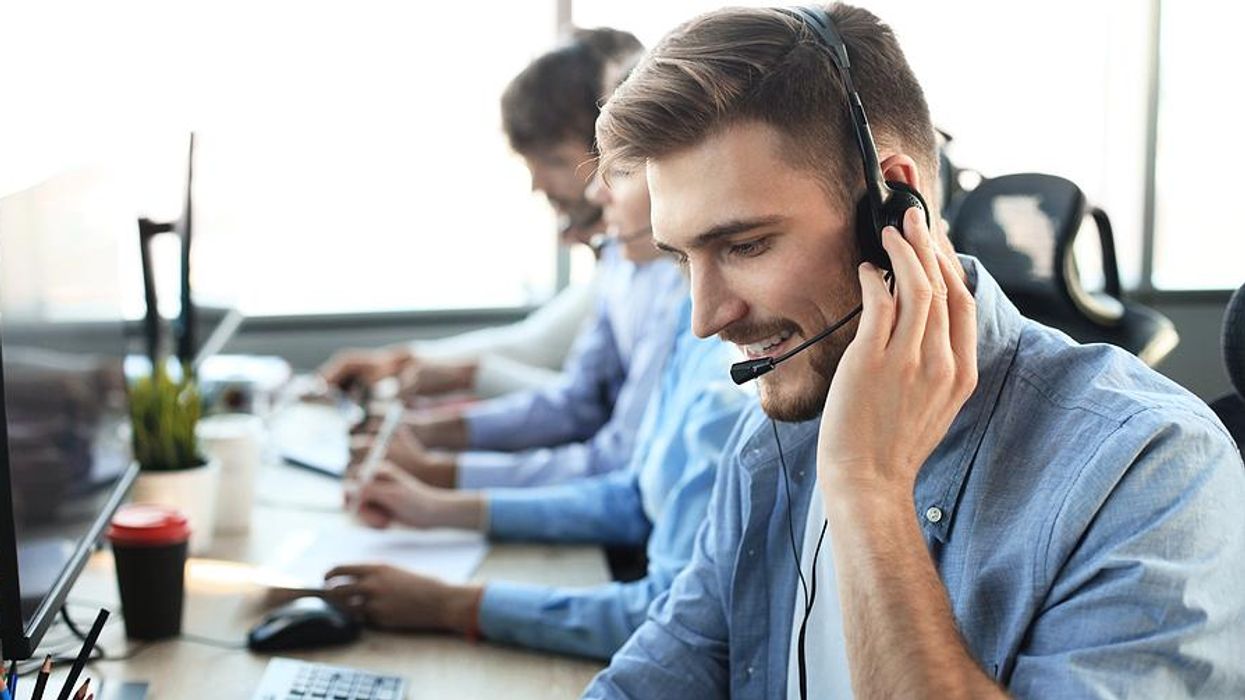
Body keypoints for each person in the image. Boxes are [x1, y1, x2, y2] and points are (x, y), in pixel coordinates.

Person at [584, 4, 1245, 698]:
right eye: (680, 257)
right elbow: (671, 661)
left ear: (893, 207)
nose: (706, 318)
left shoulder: (1151, 472)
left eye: (744, 245)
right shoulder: (776, 432)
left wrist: (868, 491)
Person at [325, 156, 751, 660]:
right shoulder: (682, 317)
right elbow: (630, 492)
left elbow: (670, 617)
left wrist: (454, 604)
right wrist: (435, 503)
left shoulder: (722, 371)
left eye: (617, 168)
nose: (594, 192)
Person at [319, 27, 643, 401]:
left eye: (554, 160)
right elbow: (536, 343)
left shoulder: (658, 262)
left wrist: (460, 378)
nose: (537, 185)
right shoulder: (619, 263)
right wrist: (402, 362)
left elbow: (596, 406)